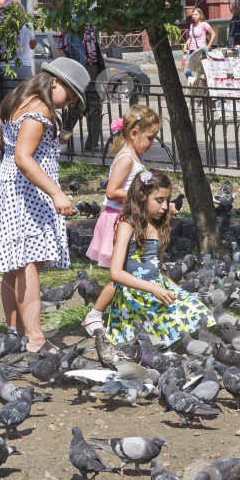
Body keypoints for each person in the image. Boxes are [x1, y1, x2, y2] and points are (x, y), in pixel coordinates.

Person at [0, 58, 88, 353]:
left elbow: (6, 142)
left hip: (10, 187)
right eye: (71, 96)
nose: (68, 104)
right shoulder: (39, 109)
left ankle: (14, 333)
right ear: (56, 82)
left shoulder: (17, 99)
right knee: (28, 262)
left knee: (14, 263)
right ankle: (36, 339)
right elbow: (24, 157)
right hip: (28, 192)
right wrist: (56, 193)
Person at [80, 104, 163, 336]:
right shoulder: (126, 158)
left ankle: (124, 314)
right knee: (121, 276)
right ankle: (94, 315)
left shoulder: (137, 156)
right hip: (118, 222)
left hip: (129, 221)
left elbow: (143, 182)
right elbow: (111, 191)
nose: (152, 142)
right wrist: (141, 198)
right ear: (134, 133)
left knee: (132, 272)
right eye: (150, 137)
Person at [106, 168, 214, 345]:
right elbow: (115, 273)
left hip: (158, 289)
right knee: (173, 328)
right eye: (159, 200)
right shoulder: (127, 226)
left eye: (167, 200)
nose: (165, 206)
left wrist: (177, 292)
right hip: (135, 295)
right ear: (142, 197)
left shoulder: (160, 227)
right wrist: (153, 289)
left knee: (201, 312)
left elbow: (157, 271)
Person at [58, 18, 106, 152]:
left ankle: (92, 144)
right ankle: (64, 143)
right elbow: (61, 50)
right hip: (77, 70)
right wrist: (69, 72)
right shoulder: (70, 26)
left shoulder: (95, 27)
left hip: (94, 69)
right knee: (73, 108)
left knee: (95, 108)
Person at [0, 1, 38, 100]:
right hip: (25, 69)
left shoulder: (1, 30)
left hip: (6, 71)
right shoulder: (27, 27)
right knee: (25, 102)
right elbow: (33, 45)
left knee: (7, 103)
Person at [183, 8, 216, 86]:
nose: (194, 16)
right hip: (191, 50)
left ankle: (200, 88)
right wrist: (186, 44)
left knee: (200, 71)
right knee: (187, 70)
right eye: (193, 15)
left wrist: (208, 46)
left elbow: (213, 34)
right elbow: (191, 37)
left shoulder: (204, 24)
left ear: (200, 16)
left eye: (196, 14)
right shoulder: (192, 25)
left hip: (200, 50)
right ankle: (194, 84)